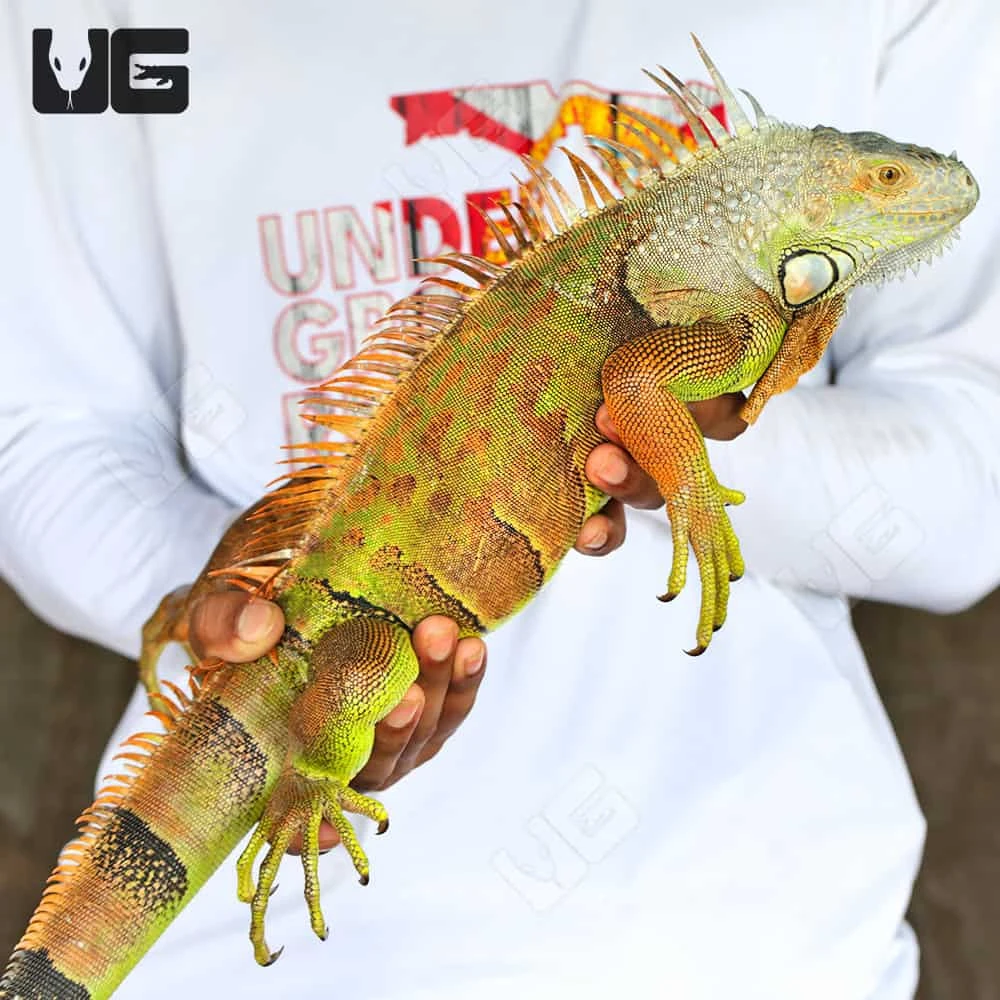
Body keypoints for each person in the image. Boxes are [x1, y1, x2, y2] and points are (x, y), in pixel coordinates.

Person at [2, 1, 999, 997]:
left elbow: (972, 483)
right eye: (881, 180)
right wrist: (239, 613)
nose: (921, 189)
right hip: (251, 960)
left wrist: (684, 470)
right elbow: (40, 431)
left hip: (763, 933)